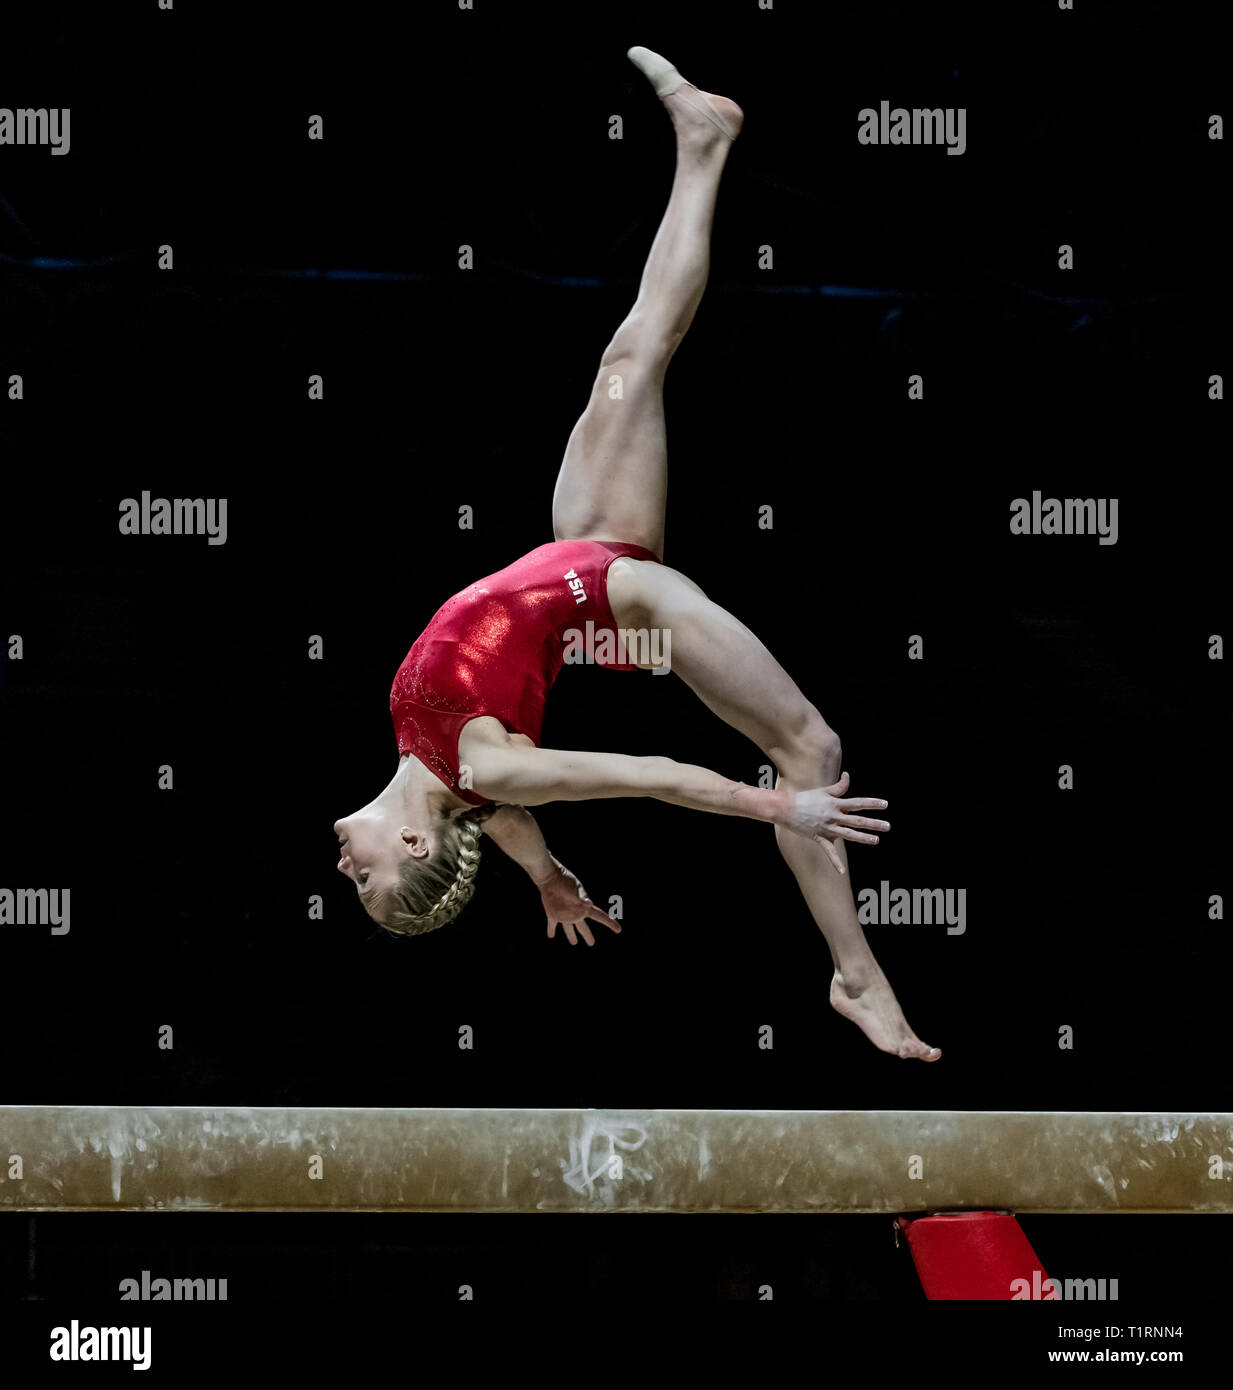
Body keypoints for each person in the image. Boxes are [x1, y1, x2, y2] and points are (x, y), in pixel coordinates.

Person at [334, 47, 940, 1061]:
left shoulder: (454, 778)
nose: (344, 871)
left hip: (584, 556)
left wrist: (548, 879)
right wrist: (774, 806)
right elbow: (651, 773)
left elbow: (503, 819)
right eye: (370, 883)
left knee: (632, 354)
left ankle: (702, 143)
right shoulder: (479, 765)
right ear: (410, 844)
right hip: (627, 598)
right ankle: (856, 975)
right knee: (812, 754)